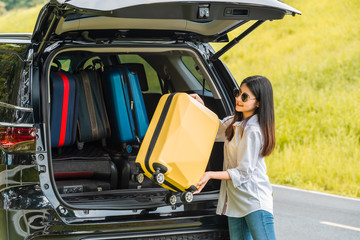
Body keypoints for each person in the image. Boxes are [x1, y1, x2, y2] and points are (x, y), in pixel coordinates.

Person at [191, 75, 276, 240]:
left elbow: (243, 173)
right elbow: (213, 129)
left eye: (244, 96)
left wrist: (210, 174)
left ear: (258, 102)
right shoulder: (234, 123)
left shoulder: (253, 130)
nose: (238, 98)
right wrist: (200, 106)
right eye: (238, 93)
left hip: (253, 200)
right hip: (235, 201)